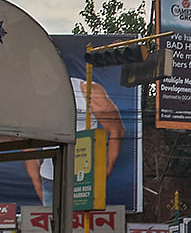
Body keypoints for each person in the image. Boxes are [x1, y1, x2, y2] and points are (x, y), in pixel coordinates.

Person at [25, 76, 126, 205]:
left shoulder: (86, 90)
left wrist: (105, 171)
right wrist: (37, 183)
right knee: (53, 224)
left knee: (83, 223)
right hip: (50, 180)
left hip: (84, 177)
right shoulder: (35, 96)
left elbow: (117, 130)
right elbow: (28, 143)